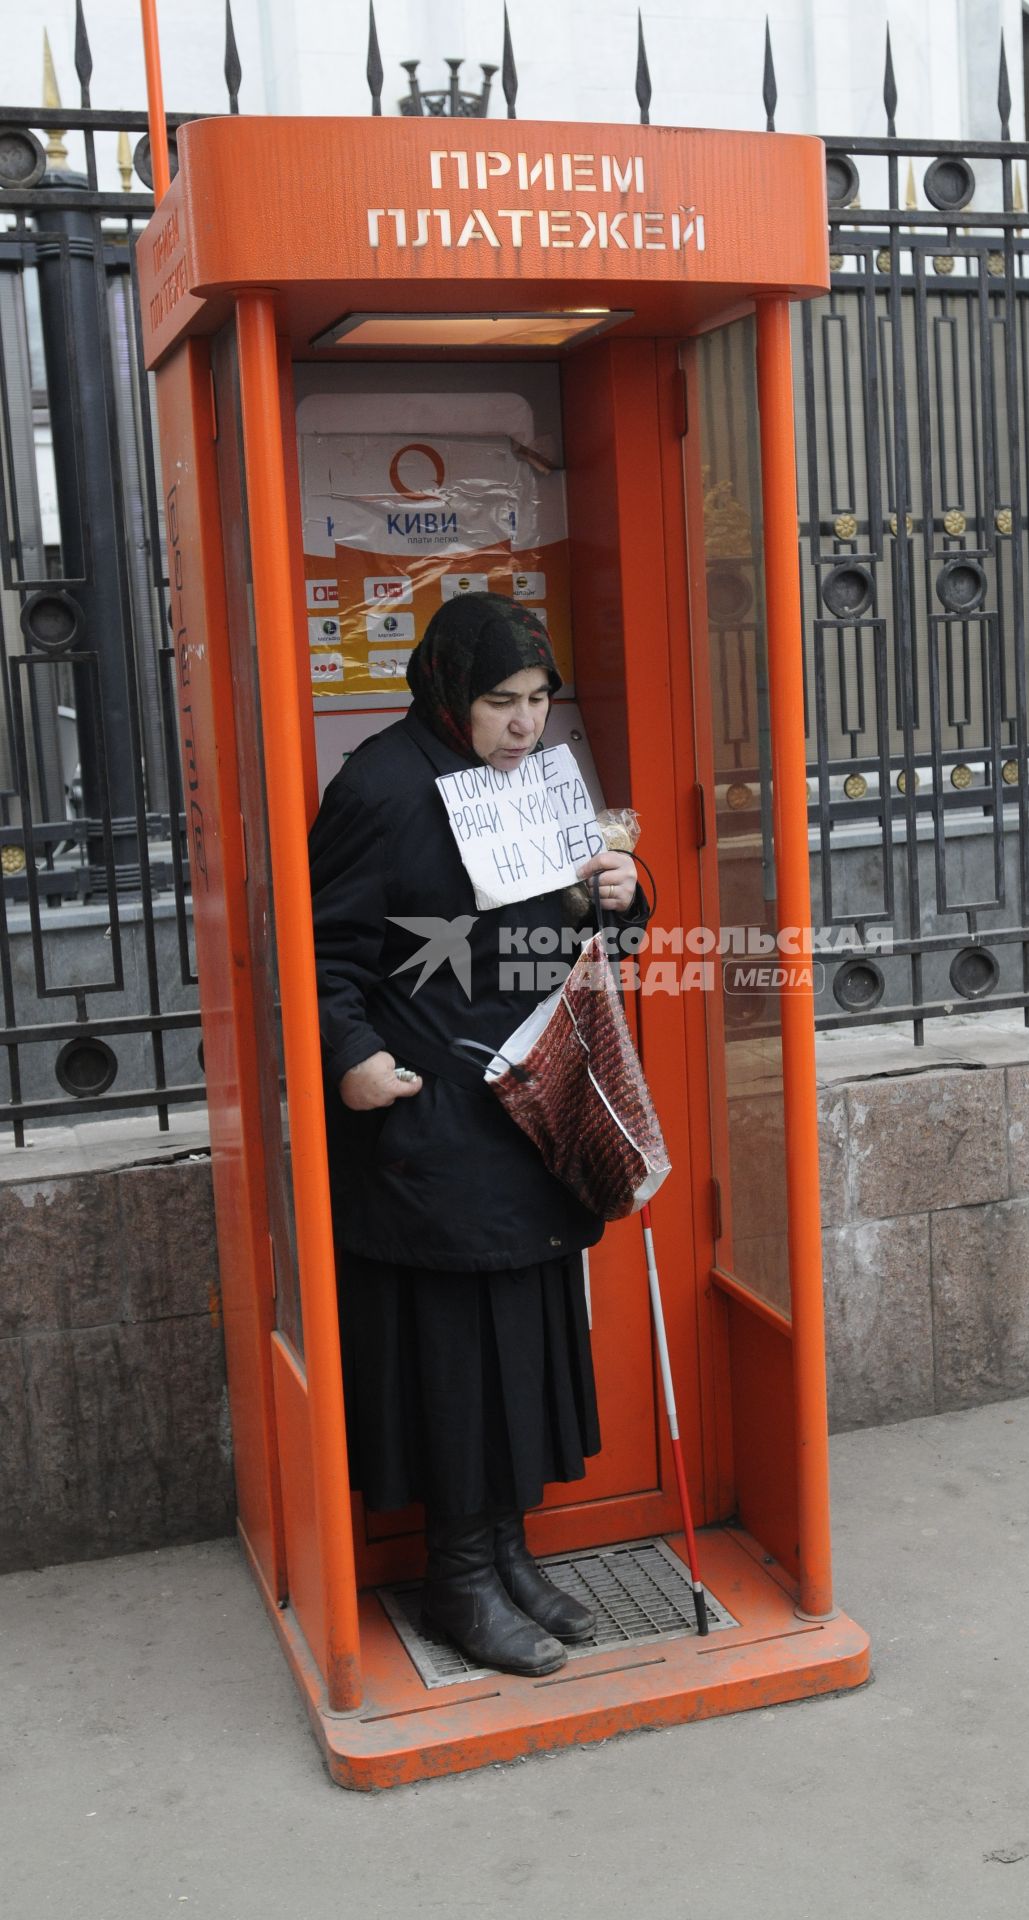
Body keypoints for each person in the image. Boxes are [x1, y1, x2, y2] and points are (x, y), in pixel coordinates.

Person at [308, 593, 642, 1679]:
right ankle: (456, 1578)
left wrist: (619, 901)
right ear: (449, 691)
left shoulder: (540, 783)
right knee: (455, 1359)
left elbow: (573, 930)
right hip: (433, 1115)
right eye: (502, 701)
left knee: (523, 1347)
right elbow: (322, 953)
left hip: (536, 1103)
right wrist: (350, 1055)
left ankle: (509, 1553)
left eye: (540, 700)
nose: (523, 724)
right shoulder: (381, 786)